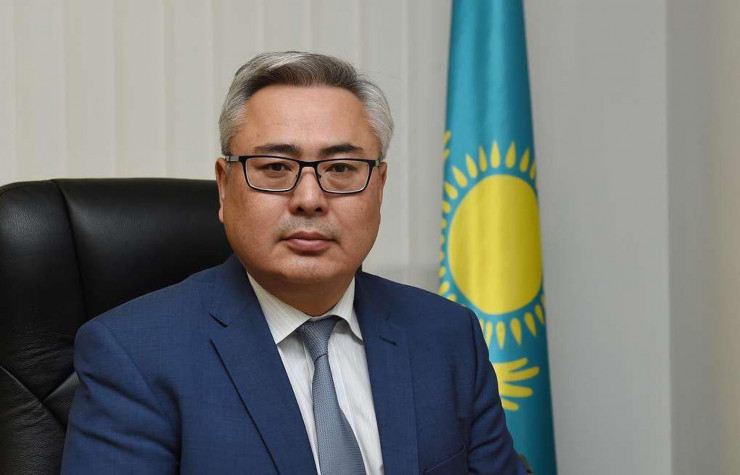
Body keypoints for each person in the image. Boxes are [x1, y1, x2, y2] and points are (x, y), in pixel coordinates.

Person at [61, 51, 525, 474]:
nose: (309, 199)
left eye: (341, 169)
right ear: (224, 187)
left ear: (379, 187)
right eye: (275, 168)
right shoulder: (133, 354)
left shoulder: (447, 335)